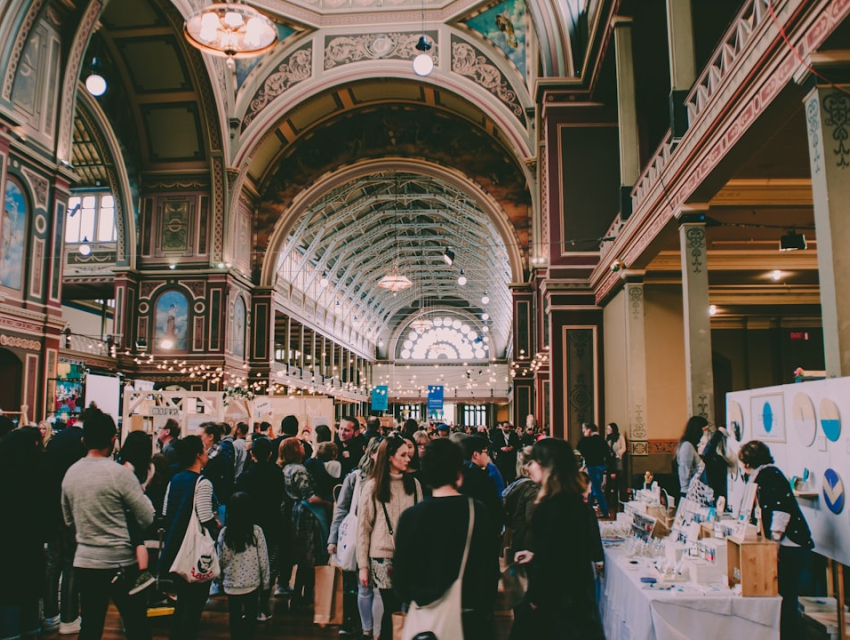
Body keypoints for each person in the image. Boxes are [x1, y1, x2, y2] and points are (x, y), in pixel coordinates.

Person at [61, 410, 155, 640]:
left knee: (90, 627)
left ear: (84, 440)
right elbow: (147, 517)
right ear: (113, 439)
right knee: (136, 627)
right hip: (121, 563)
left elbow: (68, 519)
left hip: (85, 561)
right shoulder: (118, 474)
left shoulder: (71, 474)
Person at [394, 438, 500, 640]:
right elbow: (489, 568)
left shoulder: (411, 517)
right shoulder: (477, 512)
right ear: (458, 475)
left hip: (427, 623)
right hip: (471, 617)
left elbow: (401, 581)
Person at [512, 438, 604, 640]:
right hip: (578, 595)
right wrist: (535, 553)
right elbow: (564, 549)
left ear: (548, 466)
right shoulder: (578, 504)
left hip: (554, 600)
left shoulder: (547, 507)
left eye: (535, 461)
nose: (530, 467)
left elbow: (550, 562)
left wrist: (535, 596)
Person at [738, 440, 813, 640]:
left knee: (786, 600)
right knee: (784, 601)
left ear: (746, 463)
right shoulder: (765, 475)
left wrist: (774, 544)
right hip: (787, 546)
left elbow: (781, 510)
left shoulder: (769, 475)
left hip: (791, 546)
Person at [357, 433, 422, 637]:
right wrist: (363, 567)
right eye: (403, 454)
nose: (408, 458)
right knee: (392, 606)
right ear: (390, 457)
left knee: (408, 606)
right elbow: (363, 529)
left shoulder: (414, 484)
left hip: (409, 556)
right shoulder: (373, 487)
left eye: (408, 454)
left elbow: (420, 523)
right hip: (382, 556)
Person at [160, 435, 219, 640]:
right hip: (194, 551)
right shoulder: (203, 483)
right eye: (203, 449)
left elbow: (167, 512)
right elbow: (204, 516)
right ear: (197, 454)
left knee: (182, 601)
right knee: (194, 605)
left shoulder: (174, 479)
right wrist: (216, 523)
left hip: (175, 548)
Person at [328, 437, 384, 638]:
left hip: (381, 539)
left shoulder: (391, 478)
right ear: (371, 453)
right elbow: (342, 510)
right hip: (358, 537)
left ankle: (372, 629)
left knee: (375, 586)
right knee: (361, 583)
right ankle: (363, 626)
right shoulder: (355, 478)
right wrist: (333, 539)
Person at [0, 427, 49, 640]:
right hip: (32, 544)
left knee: (9, 594)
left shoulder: (6, 473)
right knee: (30, 593)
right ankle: (31, 632)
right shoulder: (38, 472)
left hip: (8, 544)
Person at [235, 437, 285, 618]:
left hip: (250, 525)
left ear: (252, 453)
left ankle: (248, 605)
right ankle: (263, 605)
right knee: (270, 565)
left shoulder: (245, 476)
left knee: (250, 564)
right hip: (273, 524)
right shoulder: (277, 473)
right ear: (271, 454)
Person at [281, 436, 332, 608]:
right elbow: (310, 497)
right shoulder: (299, 470)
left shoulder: (286, 469)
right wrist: (329, 503)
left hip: (296, 513)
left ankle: (300, 594)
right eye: (300, 444)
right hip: (308, 516)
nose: (303, 446)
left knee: (303, 556)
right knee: (310, 556)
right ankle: (303, 595)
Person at [217, 492, 270, 640]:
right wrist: (266, 582)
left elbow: (221, 559)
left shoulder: (225, 533)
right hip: (252, 583)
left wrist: (219, 578)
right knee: (251, 616)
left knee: (234, 616)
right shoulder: (256, 532)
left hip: (231, 583)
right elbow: (263, 559)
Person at [116, 431, 157, 595]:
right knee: (139, 542)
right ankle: (144, 573)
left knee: (136, 540)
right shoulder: (150, 468)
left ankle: (141, 573)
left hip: (128, 510)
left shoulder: (124, 468)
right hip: (147, 509)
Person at [459, 435, 504, 534]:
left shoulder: (455, 476)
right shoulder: (483, 478)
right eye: (486, 452)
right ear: (476, 454)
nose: (488, 456)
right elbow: (494, 509)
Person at [502, 446, 538, 561]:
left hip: (516, 535)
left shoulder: (516, 484)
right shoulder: (532, 488)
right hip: (527, 542)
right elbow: (532, 519)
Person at [576, 423, 609, 518]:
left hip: (593, 466)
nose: (583, 431)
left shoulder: (589, 440)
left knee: (596, 489)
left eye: (584, 429)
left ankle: (604, 510)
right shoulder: (602, 440)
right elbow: (606, 453)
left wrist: (585, 437)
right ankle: (588, 508)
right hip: (601, 466)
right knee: (594, 488)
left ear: (589, 429)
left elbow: (580, 447)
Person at [677, 416, 707, 499]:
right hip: (689, 494)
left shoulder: (692, 446)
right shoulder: (687, 446)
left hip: (693, 493)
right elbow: (685, 473)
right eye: (705, 430)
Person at [604, 422, 627, 508]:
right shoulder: (607, 438)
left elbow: (623, 448)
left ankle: (621, 502)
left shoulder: (619, 437)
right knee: (609, 484)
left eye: (609, 429)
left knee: (619, 482)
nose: (607, 431)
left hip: (617, 460)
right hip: (610, 462)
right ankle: (609, 502)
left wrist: (617, 453)